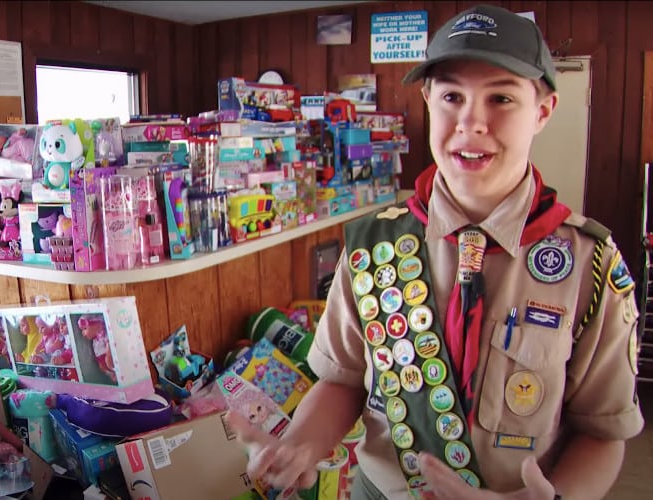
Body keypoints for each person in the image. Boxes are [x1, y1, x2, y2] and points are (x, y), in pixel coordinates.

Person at [227, 4, 644, 499]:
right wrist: (298, 445)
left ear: (543, 111)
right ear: (427, 99)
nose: (471, 122)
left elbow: (602, 430)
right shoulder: (374, 245)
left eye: (502, 98)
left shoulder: (589, 266)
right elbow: (344, 380)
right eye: (451, 96)